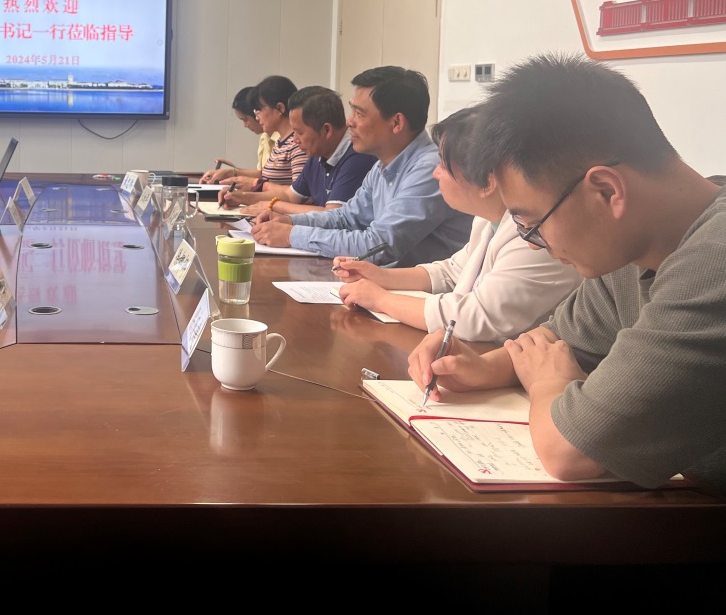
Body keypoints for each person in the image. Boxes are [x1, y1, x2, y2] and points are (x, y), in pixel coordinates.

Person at [407, 54, 726, 491]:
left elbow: (569, 452)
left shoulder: (714, 261)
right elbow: (554, 342)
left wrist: (547, 385)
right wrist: (483, 367)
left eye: (532, 224)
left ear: (606, 191)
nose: (533, 243)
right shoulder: (635, 245)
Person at [334, 106, 581, 340]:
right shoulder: (489, 219)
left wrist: (381, 300)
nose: (435, 173)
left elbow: (479, 316)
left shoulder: (535, 234)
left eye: (443, 164)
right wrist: (381, 276)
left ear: (487, 181)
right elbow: (452, 271)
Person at [251, 66, 470, 265]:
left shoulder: (429, 170)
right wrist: (289, 221)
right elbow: (346, 218)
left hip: (418, 292)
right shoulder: (382, 164)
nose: (349, 122)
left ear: (396, 123)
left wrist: (291, 235)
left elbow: (377, 245)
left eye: (359, 113)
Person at [222, 88, 375, 216]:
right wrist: (242, 197)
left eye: (299, 132)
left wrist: (274, 206)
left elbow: (333, 215)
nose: (295, 140)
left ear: (326, 130)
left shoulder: (357, 156)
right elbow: (290, 196)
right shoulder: (318, 152)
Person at [200, 77, 306, 192]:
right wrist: (231, 173)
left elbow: (298, 194)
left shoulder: (297, 144)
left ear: (279, 108)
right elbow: (265, 175)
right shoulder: (281, 142)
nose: (257, 117)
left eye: (259, 110)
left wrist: (253, 187)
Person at [200, 86, 277, 183]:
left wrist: (233, 172)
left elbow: (270, 177)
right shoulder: (264, 137)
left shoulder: (283, 139)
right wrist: (233, 170)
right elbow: (262, 174)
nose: (245, 125)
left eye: (245, 119)